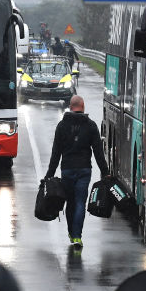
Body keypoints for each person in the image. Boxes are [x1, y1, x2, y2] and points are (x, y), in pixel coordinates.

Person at [44, 95, 110, 249]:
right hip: (84, 170)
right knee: (80, 202)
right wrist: (105, 172)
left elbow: (56, 153)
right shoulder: (91, 126)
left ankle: (70, 233)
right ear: (83, 106)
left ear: (70, 106)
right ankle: (77, 236)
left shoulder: (62, 126)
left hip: (67, 170)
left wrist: (49, 175)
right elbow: (98, 152)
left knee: (70, 203)